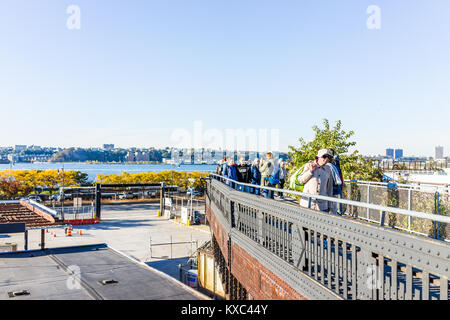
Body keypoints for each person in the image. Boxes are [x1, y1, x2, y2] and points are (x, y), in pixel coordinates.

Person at [328, 148, 344, 214]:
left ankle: (337, 212)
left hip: (333, 186)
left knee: (332, 203)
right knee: (336, 201)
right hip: (337, 185)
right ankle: (338, 211)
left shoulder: (330, 165)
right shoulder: (335, 164)